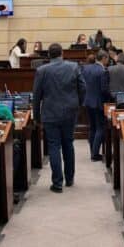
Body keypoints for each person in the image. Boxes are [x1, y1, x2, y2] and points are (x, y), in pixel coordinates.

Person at [33, 43, 86, 192]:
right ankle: (70, 179)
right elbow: (83, 88)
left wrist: (36, 116)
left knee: (54, 146)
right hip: (70, 112)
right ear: (62, 53)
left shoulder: (42, 70)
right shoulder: (74, 67)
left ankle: (57, 183)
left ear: (49, 55)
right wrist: (78, 104)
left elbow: (37, 96)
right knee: (68, 144)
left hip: (50, 114)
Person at [82, 50, 110, 161]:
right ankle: (95, 154)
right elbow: (104, 90)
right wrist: (111, 97)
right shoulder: (103, 71)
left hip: (87, 101)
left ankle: (92, 151)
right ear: (103, 58)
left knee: (92, 127)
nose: (107, 61)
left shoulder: (86, 68)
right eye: (107, 59)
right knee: (100, 128)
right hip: (98, 102)